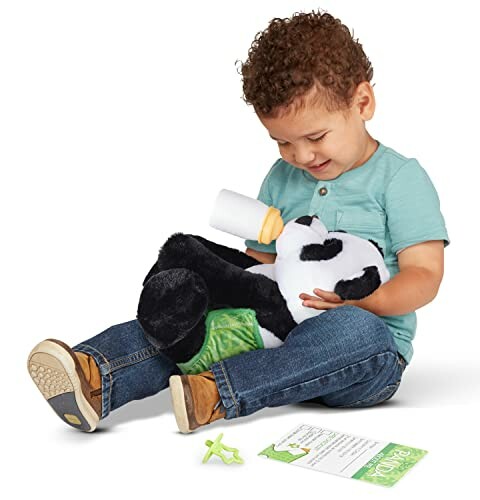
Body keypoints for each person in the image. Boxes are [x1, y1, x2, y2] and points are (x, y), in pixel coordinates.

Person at [27, 10, 449, 434]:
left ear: (362, 103)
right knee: (192, 312)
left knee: (357, 333)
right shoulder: (283, 178)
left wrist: (364, 303)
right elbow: (257, 266)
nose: (301, 157)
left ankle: (215, 391)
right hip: (273, 331)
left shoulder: (399, 179)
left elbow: (425, 275)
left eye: (316, 137)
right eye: (283, 141)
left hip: (364, 359)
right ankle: (96, 373)